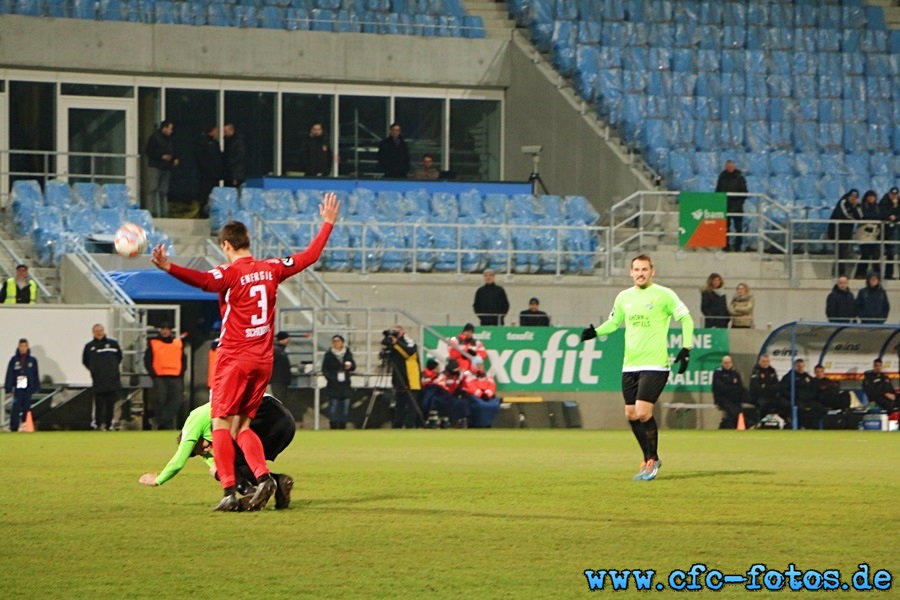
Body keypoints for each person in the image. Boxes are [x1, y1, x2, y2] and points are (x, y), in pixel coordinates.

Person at [150, 193, 339, 512]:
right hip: (263, 360)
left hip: (234, 358)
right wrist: (328, 223)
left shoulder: (229, 273)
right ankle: (264, 477)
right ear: (247, 241)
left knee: (222, 425)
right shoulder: (272, 268)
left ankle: (229, 493)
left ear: (226, 245)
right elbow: (308, 256)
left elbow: (202, 281)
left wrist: (169, 267)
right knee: (242, 427)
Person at [580, 254, 693, 481]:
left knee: (643, 412)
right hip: (630, 364)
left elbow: (686, 318)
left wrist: (686, 348)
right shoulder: (624, 297)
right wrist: (595, 332)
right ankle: (650, 457)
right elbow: (614, 322)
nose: (640, 273)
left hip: (655, 364)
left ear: (653, 271)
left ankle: (651, 461)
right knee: (631, 414)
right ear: (631, 272)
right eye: (636, 269)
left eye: (644, 269)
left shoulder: (664, 295)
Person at [138, 395, 296, 510]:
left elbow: (179, 460)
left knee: (226, 460)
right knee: (229, 465)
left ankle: (252, 491)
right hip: (285, 425)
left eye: (203, 446)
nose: (207, 448)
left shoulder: (193, 421)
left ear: (192, 440)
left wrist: (158, 479)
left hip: (264, 411)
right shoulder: (210, 442)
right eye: (204, 452)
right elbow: (220, 468)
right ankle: (277, 482)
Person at [144, 322, 185, 430]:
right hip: (160, 377)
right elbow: (147, 360)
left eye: (167, 329)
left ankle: (159, 421)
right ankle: (165, 424)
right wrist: (153, 374)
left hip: (175, 376)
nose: (165, 331)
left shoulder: (178, 343)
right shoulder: (153, 342)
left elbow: (183, 360)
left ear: (170, 330)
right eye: (163, 328)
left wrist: (181, 373)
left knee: (177, 401)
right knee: (160, 401)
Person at [82, 324, 122, 431]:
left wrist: (111, 370)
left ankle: (109, 424)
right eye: (96, 331)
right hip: (98, 380)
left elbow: (119, 357)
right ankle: (98, 424)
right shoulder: (89, 346)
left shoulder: (113, 344)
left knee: (110, 404)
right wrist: (95, 371)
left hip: (112, 379)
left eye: (101, 330)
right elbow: (85, 361)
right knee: (99, 404)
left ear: (104, 331)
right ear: (93, 333)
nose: (99, 333)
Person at [381, 325, 422, 428]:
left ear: (403, 331)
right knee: (400, 404)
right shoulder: (394, 344)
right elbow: (385, 349)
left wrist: (396, 342)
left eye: (396, 331)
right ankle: (397, 424)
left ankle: (410, 424)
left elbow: (409, 351)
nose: (394, 333)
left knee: (411, 404)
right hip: (399, 378)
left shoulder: (408, 341)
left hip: (411, 377)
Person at [778, 359, 825, 429]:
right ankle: (800, 426)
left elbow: (814, 388)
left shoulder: (807, 376)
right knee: (800, 409)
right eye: (798, 366)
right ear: (794, 366)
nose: (801, 368)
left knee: (820, 408)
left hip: (807, 400)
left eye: (802, 366)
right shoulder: (789, 377)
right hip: (795, 400)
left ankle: (813, 426)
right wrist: (795, 397)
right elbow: (783, 390)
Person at [4, 338, 39, 432]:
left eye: (25, 346)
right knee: (16, 406)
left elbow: (35, 374)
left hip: (28, 387)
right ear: (18, 347)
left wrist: (36, 386)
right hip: (18, 386)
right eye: (21, 346)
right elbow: (10, 374)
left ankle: (25, 424)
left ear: (27, 347)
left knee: (27, 407)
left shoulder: (32, 360)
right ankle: (13, 426)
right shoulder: (14, 360)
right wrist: (8, 387)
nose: (23, 348)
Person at [145, 120, 178, 218]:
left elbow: (173, 150)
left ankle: (164, 212)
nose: (171, 131)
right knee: (153, 188)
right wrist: (161, 156)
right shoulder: (154, 137)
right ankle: (151, 211)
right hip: (155, 166)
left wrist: (174, 158)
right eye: (170, 129)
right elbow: (148, 151)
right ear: (164, 128)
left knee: (164, 191)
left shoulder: (170, 139)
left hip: (166, 167)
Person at [714, 159, 748, 251]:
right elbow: (718, 191)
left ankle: (738, 247)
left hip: (737, 207)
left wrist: (739, 202)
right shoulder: (722, 177)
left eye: (731, 166)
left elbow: (744, 192)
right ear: (725, 166)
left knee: (738, 228)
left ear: (734, 166)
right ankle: (725, 246)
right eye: (728, 166)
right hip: (725, 206)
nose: (730, 167)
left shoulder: (739, 177)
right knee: (725, 228)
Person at [322, 334, 355, 429]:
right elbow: (325, 369)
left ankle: (343, 425)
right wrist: (331, 378)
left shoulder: (348, 353)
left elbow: (353, 366)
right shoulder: (329, 355)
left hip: (345, 384)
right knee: (333, 406)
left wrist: (350, 366)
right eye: (334, 342)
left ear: (342, 343)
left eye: (338, 341)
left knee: (345, 408)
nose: (336, 343)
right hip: (333, 384)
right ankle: (333, 425)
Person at [828, 189, 862, 277]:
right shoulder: (842, 202)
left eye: (855, 197)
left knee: (843, 252)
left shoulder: (857, 205)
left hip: (846, 233)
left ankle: (840, 272)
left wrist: (855, 207)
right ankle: (837, 273)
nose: (853, 199)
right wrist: (853, 219)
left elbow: (860, 217)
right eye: (851, 197)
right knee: (839, 252)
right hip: (835, 231)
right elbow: (843, 214)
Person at [462, 356, 501, 428]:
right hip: (474, 396)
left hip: (486, 395)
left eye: (481, 364)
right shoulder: (468, 374)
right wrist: (480, 394)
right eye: (478, 365)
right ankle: (476, 424)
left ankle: (487, 423)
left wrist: (487, 393)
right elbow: (470, 386)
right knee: (480, 405)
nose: (480, 366)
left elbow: (491, 385)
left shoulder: (488, 374)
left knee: (494, 405)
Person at [196, 124, 223, 219]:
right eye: (216, 131)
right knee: (205, 194)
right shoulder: (204, 142)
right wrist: (207, 169)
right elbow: (201, 158)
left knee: (213, 194)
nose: (218, 133)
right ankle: (203, 214)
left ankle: (211, 213)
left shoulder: (215, 143)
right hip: (207, 175)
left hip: (214, 175)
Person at [749, 354, 788, 419]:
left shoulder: (772, 371)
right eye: (763, 361)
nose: (765, 363)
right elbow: (757, 387)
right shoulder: (756, 371)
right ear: (759, 362)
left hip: (772, 396)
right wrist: (769, 387)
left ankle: (783, 423)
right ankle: (762, 423)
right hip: (759, 397)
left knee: (785, 404)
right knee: (764, 405)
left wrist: (766, 386)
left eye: (767, 361)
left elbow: (777, 385)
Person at [712, 355, 746, 429]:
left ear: (731, 363)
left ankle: (730, 426)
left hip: (734, 399)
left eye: (729, 362)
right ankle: (726, 426)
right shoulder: (718, 373)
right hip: (722, 399)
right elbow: (720, 387)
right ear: (722, 363)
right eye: (725, 363)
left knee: (740, 410)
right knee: (732, 411)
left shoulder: (735, 373)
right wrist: (732, 388)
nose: (727, 364)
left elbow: (740, 387)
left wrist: (730, 389)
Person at [855, 190, 881, 279]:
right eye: (869, 196)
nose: (871, 198)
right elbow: (863, 216)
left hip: (874, 233)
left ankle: (877, 274)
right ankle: (860, 273)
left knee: (875, 255)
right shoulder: (861, 207)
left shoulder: (878, 207)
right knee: (865, 254)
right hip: (863, 233)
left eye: (872, 196)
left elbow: (880, 216)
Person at [880, 186, 900, 279]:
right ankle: (888, 275)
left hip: (897, 230)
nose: (894, 196)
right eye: (892, 194)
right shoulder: (884, 201)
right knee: (890, 253)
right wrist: (890, 215)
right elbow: (882, 213)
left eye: (895, 194)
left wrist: (896, 217)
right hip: (887, 231)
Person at [222, 122, 247, 188]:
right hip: (230, 173)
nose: (224, 134)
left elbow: (240, 155)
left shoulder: (238, 141)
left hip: (235, 173)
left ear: (231, 130)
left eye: (225, 131)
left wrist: (228, 162)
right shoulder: (228, 141)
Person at [271, 331, 291, 402]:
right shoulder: (277, 350)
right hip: (278, 380)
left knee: (280, 400)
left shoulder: (279, 350)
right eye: (287, 338)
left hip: (280, 380)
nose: (289, 340)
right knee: (279, 400)